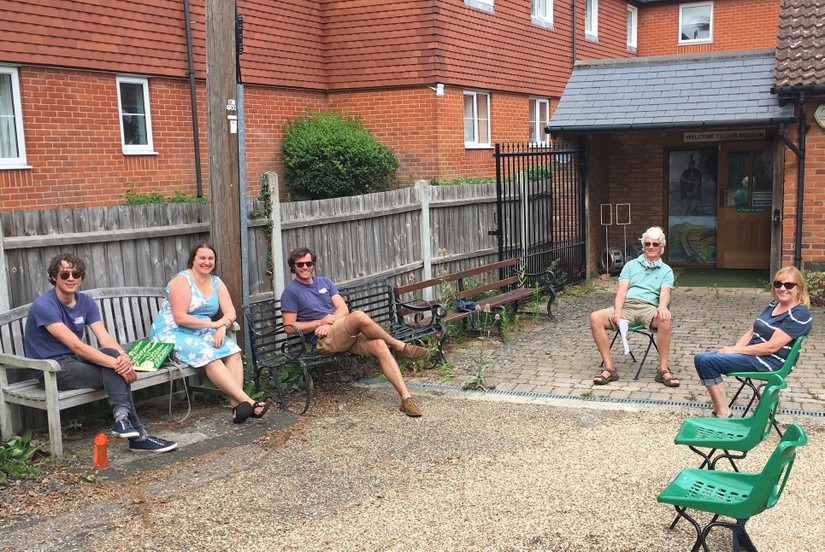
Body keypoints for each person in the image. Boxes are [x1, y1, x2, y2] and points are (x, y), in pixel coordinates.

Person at [23, 253, 177, 452]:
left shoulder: (85, 302)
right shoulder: (44, 305)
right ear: (54, 277)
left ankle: (123, 421)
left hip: (75, 360)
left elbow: (104, 338)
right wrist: (118, 365)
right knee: (114, 369)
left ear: (82, 277)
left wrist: (122, 356)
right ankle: (137, 434)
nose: (71, 278)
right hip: (52, 369)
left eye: (76, 274)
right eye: (64, 274)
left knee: (113, 357)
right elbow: (76, 346)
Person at [280, 247, 429, 417]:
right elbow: (289, 327)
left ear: (313, 264)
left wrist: (330, 323)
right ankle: (399, 346)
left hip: (342, 334)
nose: (305, 267)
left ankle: (406, 399)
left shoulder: (325, 282)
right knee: (357, 316)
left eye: (308, 263)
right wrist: (320, 323)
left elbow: (343, 308)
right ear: (293, 266)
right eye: (300, 264)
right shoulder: (291, 292)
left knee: (379, 345)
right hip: (325, 341)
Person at [150, 242, 269, 424]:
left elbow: (230, 312)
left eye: (210, 258)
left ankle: (236, 407)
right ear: (193, 260)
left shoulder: (216, 281)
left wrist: (221, 327)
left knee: (233, 350)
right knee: (208, 354)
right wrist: (216, 325)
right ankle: (249, 402)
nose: (207, 262)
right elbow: (180, 318)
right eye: (202, 258)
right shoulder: (181, 281)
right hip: (172, 332)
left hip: (202, 329)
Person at [694, 266, 812, 418]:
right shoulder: (774, 305)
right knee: (700, 358)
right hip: (753, 355)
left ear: (799, 289)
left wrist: (734, 352)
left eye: (789, 285)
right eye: (778, 284)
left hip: (770, 362)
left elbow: (772, 347)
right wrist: (734, 349)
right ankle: (718, 408)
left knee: (708, 362)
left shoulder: (800, 314)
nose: (782, 288)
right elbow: (752, 331)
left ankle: (723, 414)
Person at [589, 226, 679, 387]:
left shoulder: (666, 270)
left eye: (655, 244)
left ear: (662, 247)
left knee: (665, 319)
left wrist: (663, 306)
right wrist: (617, 312)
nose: (651, 247)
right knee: (595, 317)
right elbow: (621, 293)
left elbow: (665, 294)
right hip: (627, 307)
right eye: (648, 244)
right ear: (643, 245)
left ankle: (663, 369)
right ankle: (609, 368)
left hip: (649, 308)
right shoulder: (630, 265)